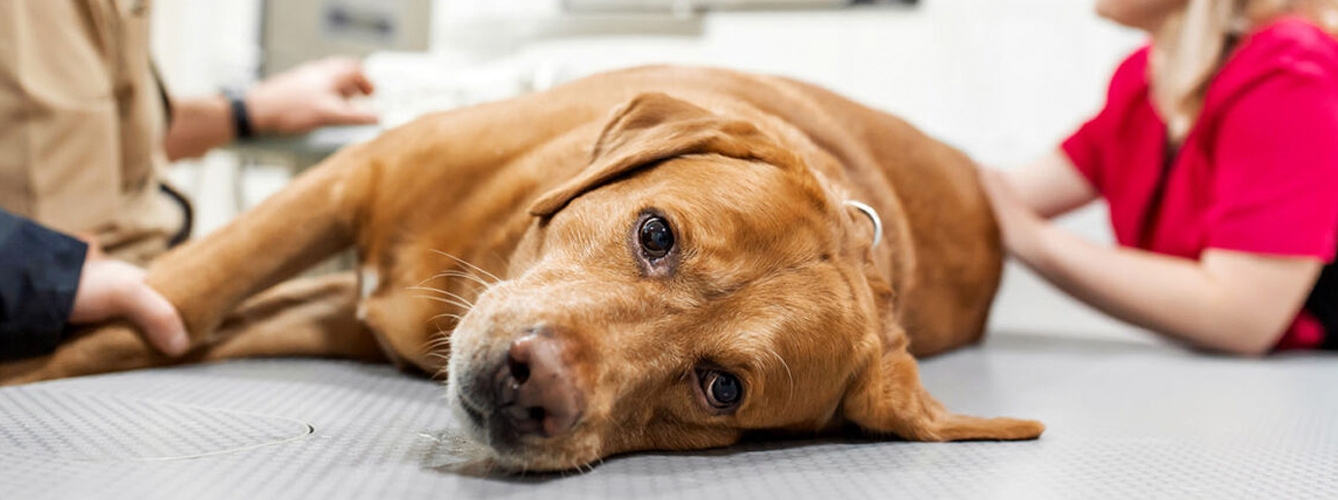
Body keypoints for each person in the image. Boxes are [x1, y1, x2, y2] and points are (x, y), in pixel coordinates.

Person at [0, 1, 377, 360]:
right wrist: (36, 274)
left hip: (134, 281)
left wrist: (245, 113)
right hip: (60, 327)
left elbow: (110, 138)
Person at [980, 0, 1338, 355]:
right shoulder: (1145, 80)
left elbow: (1243, 316)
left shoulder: (1290, 69)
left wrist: (1030, 238)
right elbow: (989, 197)